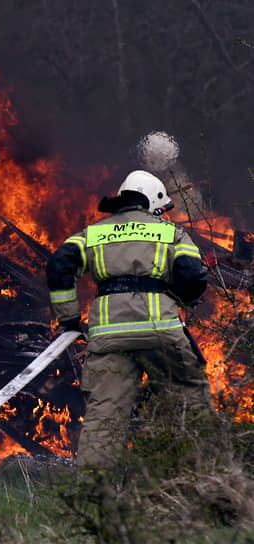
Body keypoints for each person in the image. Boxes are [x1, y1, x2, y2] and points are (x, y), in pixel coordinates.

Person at [46, 170, 215, 466]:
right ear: (153, 202)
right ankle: (200, 477)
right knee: (189, 404)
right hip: (161, 333)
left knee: (104, 418)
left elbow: (59, 266)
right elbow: (193, 274)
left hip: (109, 339)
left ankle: (94, 489)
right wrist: (179, 300)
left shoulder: (93, 234)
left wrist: (69, 319)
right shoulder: (171, 232)